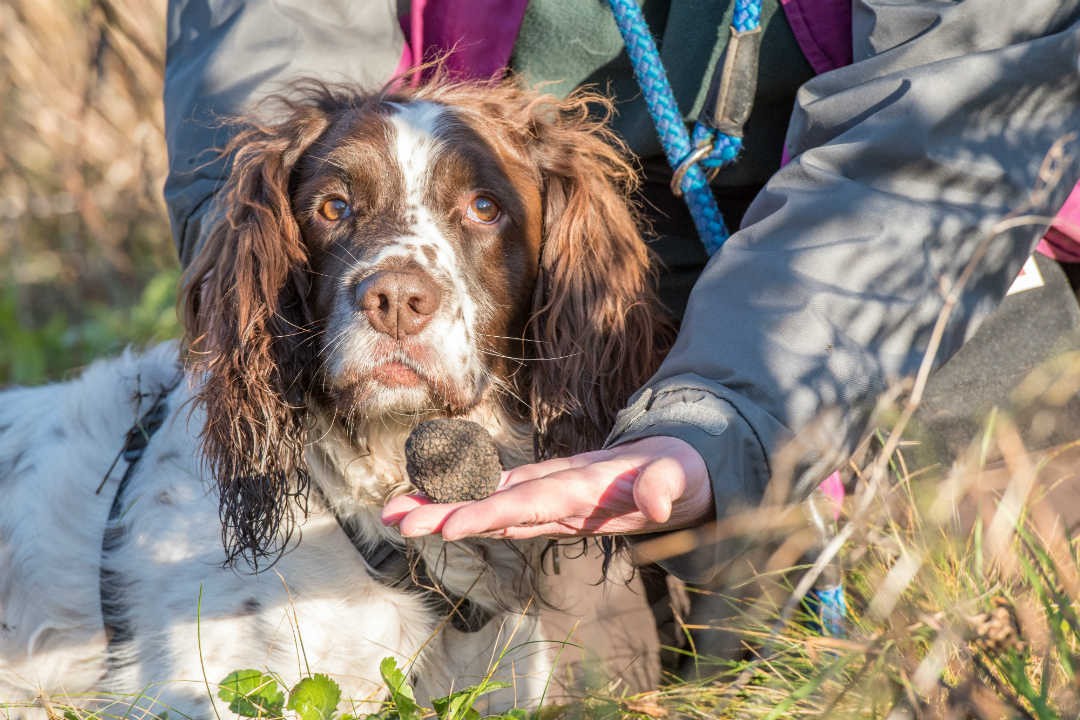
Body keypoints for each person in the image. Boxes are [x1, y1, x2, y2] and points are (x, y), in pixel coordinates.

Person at [165, 0, 1080, 585]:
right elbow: (267, 65)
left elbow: (950, 137)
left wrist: (724, 415)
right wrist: (275, 291)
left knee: (976, 588)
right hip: (531, 300)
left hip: (905, 251)